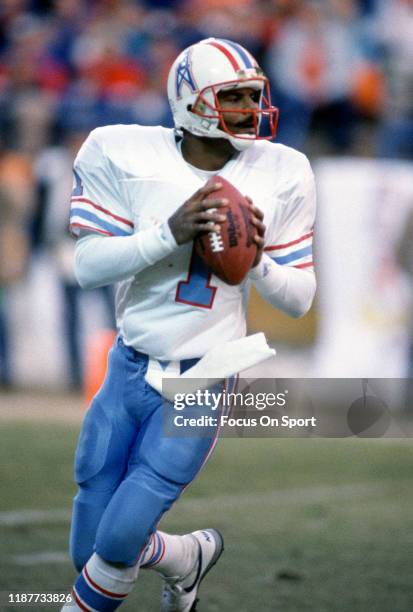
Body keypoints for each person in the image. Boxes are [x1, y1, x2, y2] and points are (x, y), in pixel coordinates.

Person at [63, 37, 316, 611]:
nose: (251, 109)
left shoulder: (282, 170)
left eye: (255, 96)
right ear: (190, 101)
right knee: (90, 550)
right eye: (233, 97)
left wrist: (259, 261)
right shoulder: (121, 151)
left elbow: (300, 297)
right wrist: (168, 233)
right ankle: (186, 556)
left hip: (203, 375)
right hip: (129, 366)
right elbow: (87, 267)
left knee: (120, 540)